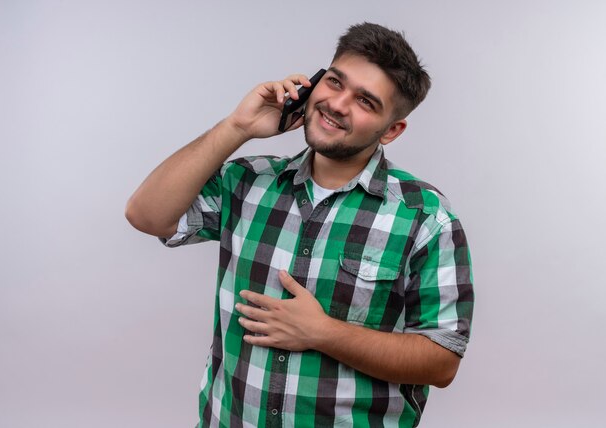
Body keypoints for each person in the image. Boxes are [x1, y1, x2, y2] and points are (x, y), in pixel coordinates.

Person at [126, 22, 474, 428]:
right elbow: (146, 215)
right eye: (334, 82)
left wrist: (324, 333)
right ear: (312, 84)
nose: (338, 104)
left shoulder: (425, 218)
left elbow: (441, 360)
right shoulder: (247, 182)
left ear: (392, 130)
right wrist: (238, 128)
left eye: (365, 101)